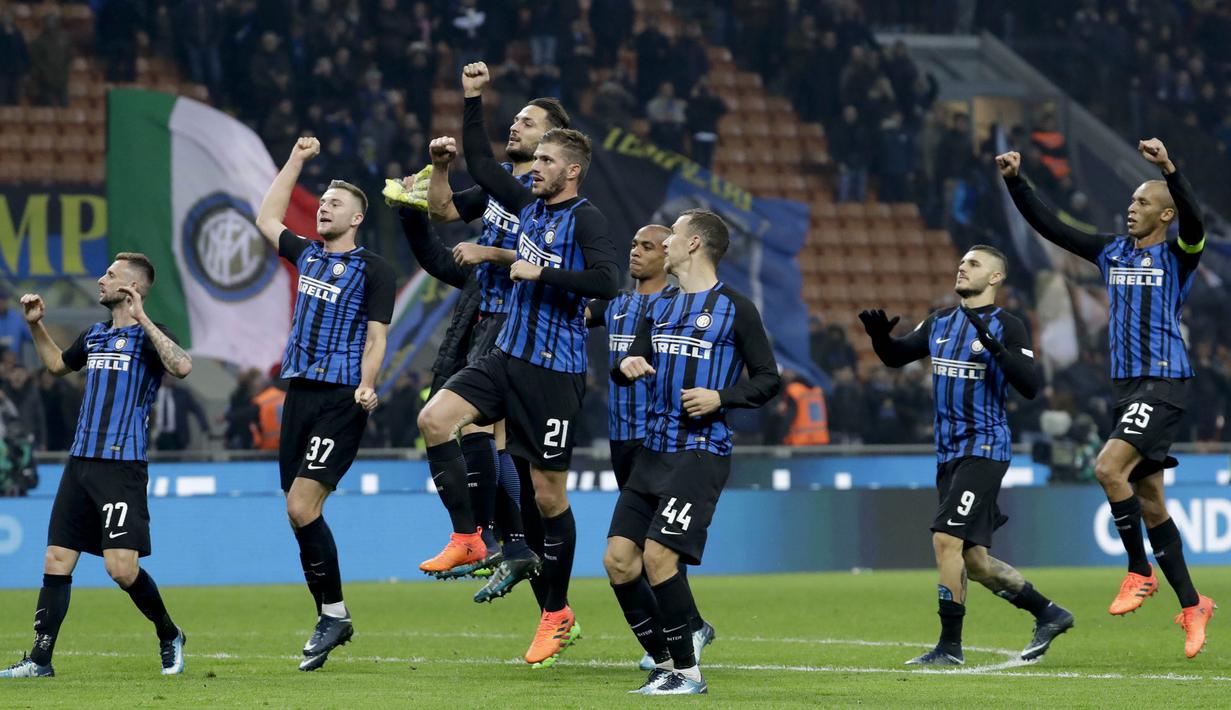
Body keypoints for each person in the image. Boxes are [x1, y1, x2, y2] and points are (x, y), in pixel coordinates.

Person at [416, 61, 620, 667]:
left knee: (548, 499)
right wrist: (472, 97)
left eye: (546, 163)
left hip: (553, 373)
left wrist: (537, 271)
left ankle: (555, 613)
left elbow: (607, 280)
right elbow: (480, 166)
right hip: (506, 356)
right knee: (434, 420)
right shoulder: (527, 206)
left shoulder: (586, 217)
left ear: (571, 170)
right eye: (535, 162)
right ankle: (468, 535)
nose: (534, 171)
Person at [997, 139, 1216, 657]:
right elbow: (1053, 228)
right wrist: (1016, 182)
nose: (1130, 209)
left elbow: (1197, 223)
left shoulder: (1179, 256)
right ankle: (1193, 604)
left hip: (1163, 381)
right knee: (1150, 501)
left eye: (1141, 203)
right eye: (1130, 202)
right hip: (1125, 388)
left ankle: (1139, 571)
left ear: (1165, 213)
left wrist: (1169, 167)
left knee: (1106, 468)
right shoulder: (1111, 251)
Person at [392, 92, 572, 602]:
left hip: (525, 326)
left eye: (527, 123)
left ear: (552, 141)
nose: (514, 127)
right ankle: (506, 550)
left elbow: (550, 254)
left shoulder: (548, 197)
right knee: (490, 442)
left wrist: (491, 252)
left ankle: (496, 542)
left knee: (503, 450)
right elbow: (445, 209)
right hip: (485, 320)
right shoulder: (500, 189)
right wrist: (439, 168)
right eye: (513, 120)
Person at [859, 245, 1074, 667]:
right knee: (974, 560)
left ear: (995, 278)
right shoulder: (940, 321)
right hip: (949, 454)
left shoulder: (1010, 325)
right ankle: (1049, 612)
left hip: (985, 448)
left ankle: (949, 647)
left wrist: (997, 349)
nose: (962, 267)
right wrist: (879, 338)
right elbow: (896, 356)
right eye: (961, 263)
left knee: (945, 539)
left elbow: (1029, 384)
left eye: (973, 264)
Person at [605, 209, 781, 694]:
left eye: (674, 236)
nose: (666, 244)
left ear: (696, 244)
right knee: (620, 559)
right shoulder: (658, 307)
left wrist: (722, 398)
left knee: (659, 557)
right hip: (652, 450)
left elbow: (769, 379)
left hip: (700, 452)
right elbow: (624, 366)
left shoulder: (735, 308)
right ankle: (666, 658)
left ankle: (688, 673)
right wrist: (630, 364)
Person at [1, 253, 191, 678]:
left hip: (121, 468)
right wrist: (35, 325)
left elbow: (182, 366)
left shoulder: (151, 338)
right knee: (55, 558)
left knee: (121, 569)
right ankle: (39, 660)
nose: (101, 279)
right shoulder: (95, 336)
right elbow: (55, 366)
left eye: (110, 274)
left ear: (132, 288)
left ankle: (169, 633)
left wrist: (144, 320)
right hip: (79, 464)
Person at [255, 137, 396, 671]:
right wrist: (296, 160)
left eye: (334, 203)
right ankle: (332, 613)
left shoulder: (375, 269)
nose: (323, 208)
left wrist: (367, 383)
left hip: (342, 397)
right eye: (322, 203)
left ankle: (333, 615)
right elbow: (268, 218)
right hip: (300, 395)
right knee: (298, 513)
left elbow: (377, 336)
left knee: (300, 506)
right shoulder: (307, 254)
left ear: (356, 217)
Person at [587, 224, 716, 673]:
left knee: (657, 546)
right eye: (633, 244)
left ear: (669, 256)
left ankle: (682, 633)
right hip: (621, 438)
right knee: (634, 549)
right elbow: (570, 314)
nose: (635, 252)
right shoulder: (617, 304)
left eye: (647, 246)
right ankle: (684, 632)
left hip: (658, 439)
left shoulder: (675, 307)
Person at [152, 376, 210, 451]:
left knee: (177, 459)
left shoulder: (182, 393)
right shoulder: (153, 393)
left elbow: (197, 409)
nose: (170, 379)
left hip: (177, 436)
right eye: (166, 376)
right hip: (158, 435)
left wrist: (204, 425)